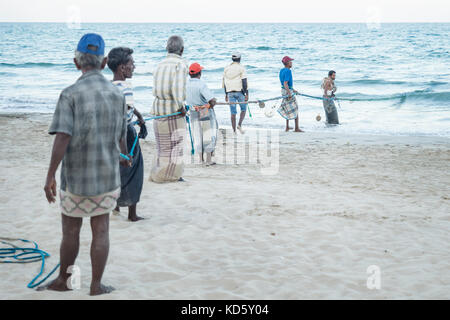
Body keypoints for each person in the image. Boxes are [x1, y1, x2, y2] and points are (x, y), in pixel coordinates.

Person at [41, 33, 130, 296]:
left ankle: (64, 281)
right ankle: (95, 285)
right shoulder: (116, 94)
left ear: (76, 62)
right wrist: (124, 156)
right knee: (101, 230)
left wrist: (50, 176)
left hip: (76, 179)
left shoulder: (69, 94)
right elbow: (121, 136)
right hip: (106, 177)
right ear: (104, 62)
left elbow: (63, 137)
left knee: (71, 231)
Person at [107, 47, 147, 222]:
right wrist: (124, 152)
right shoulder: (126, 87)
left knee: (116, 171)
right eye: (132, 63)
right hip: (125, 133)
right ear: (122, 68)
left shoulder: (110, 85)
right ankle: (132, 214)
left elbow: (126, 108)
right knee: (134, 171)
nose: (134, 67)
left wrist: (139, 117)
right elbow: (123, 118)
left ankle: (115, 207)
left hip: (109, 133)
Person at [150, 35, 188, 183]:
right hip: (173, 109)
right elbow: (178, 90)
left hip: (158, 108)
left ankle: (157, 173)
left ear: (167, 48)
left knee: (162, 146)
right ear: (182, 50)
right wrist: (181, 107)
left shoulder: (160, 64)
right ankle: (172, 176)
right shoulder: (180, 64)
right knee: (176, 146)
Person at [186, 62, 218, 166]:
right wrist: (213, 102)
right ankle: (208, 160)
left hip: (192, 111)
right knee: (207, 134)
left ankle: (200, 160)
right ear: (199, 73)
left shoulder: (186, 84)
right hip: (203, 111)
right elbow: (212, 101)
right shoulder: (201, 84)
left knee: (197, 135)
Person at [222, 53, 248, 134]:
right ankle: (239, 125)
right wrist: (246, 94)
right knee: (243, 109)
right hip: (239, 92)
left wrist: (226, 94)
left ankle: (234, 131)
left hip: (230, 93)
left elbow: (224, 82)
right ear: (240, 59)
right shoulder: (241, 68)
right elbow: (244, 82)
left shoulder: (226, 68)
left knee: (233, 113)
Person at [278, 56, 303, 132]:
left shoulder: (282, 70)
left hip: (283, 90)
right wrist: (289, 93)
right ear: (287, 63)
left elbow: (285, 84)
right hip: (287, 91)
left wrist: (293, 90)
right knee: (295, 108)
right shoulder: (288, 71)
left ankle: (287, 127)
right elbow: (286, 83)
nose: (291, 63)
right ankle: (296, 128)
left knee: (287, 109)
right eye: (290, 61)